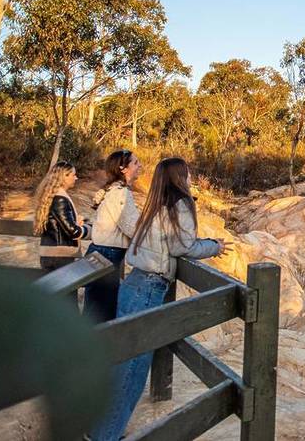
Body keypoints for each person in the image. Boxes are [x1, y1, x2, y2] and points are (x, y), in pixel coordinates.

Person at [91, 157, 231, 441]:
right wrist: (213, 246)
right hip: (150, 287)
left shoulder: (155, 202)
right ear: (181, 177)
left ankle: (96, 427)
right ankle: (104, 436)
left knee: (122, 360)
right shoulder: (181, 203)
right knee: (132, 368)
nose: (191, 178)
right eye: (188, 174)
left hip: (133, 282)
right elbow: (183, 246)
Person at [83, 149, 142, 322]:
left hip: (101, 252)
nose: (140, 166)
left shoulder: (113, 190)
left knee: (95, 307)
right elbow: (132, 228)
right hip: (108, 255)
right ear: (123, 168)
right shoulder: (121, 193)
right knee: (102, 312)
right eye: (136, 163)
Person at [34, 161, 91, 271]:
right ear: (64, 176)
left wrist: (75, 220)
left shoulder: (52, 196)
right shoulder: (60, 199)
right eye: (73, 175)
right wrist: (90, 230)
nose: (76, 178)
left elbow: (60, 224)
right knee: (67, 287)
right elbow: (73, 231)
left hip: (51, 254)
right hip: (60, 256)